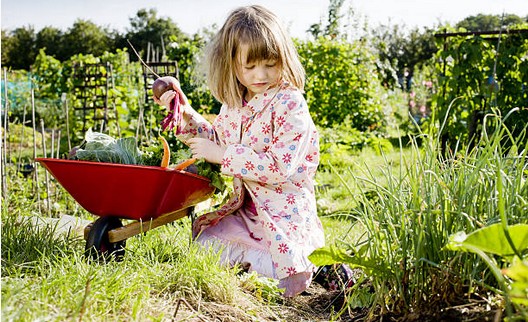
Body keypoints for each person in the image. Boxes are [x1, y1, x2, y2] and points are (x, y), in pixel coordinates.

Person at [155, 5, 325, 297]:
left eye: (270, 64)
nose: (261, 74)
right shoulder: (235, 103)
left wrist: (222, 156)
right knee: (205, 244)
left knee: (280, 272)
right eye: (249, 66)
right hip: (247, 210)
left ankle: (307, 267)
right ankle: (250, 269)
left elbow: (277, 167)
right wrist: (183, 114)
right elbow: (217, 141)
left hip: (282, 212)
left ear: (283, 59)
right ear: (231, 63)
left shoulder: (290, 104)